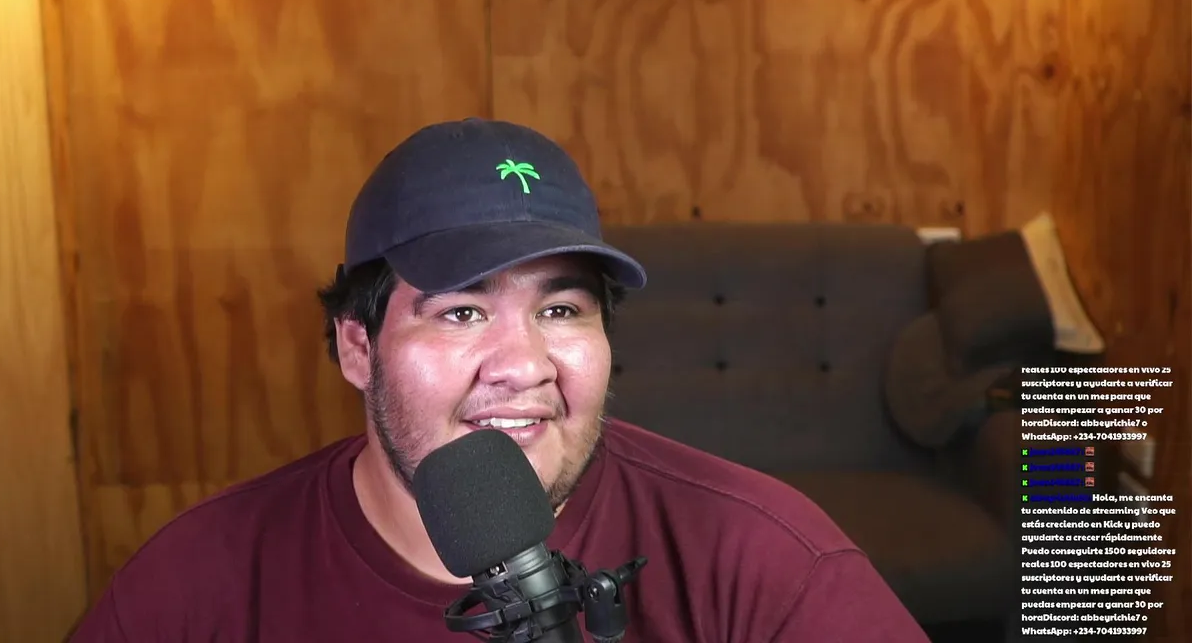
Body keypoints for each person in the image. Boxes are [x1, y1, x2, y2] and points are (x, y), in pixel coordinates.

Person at [71, 118, 930, 642]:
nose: (524, 365)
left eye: (561, 310)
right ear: (357, 348)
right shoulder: (196, 586)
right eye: (461, 313)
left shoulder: (764, 557)